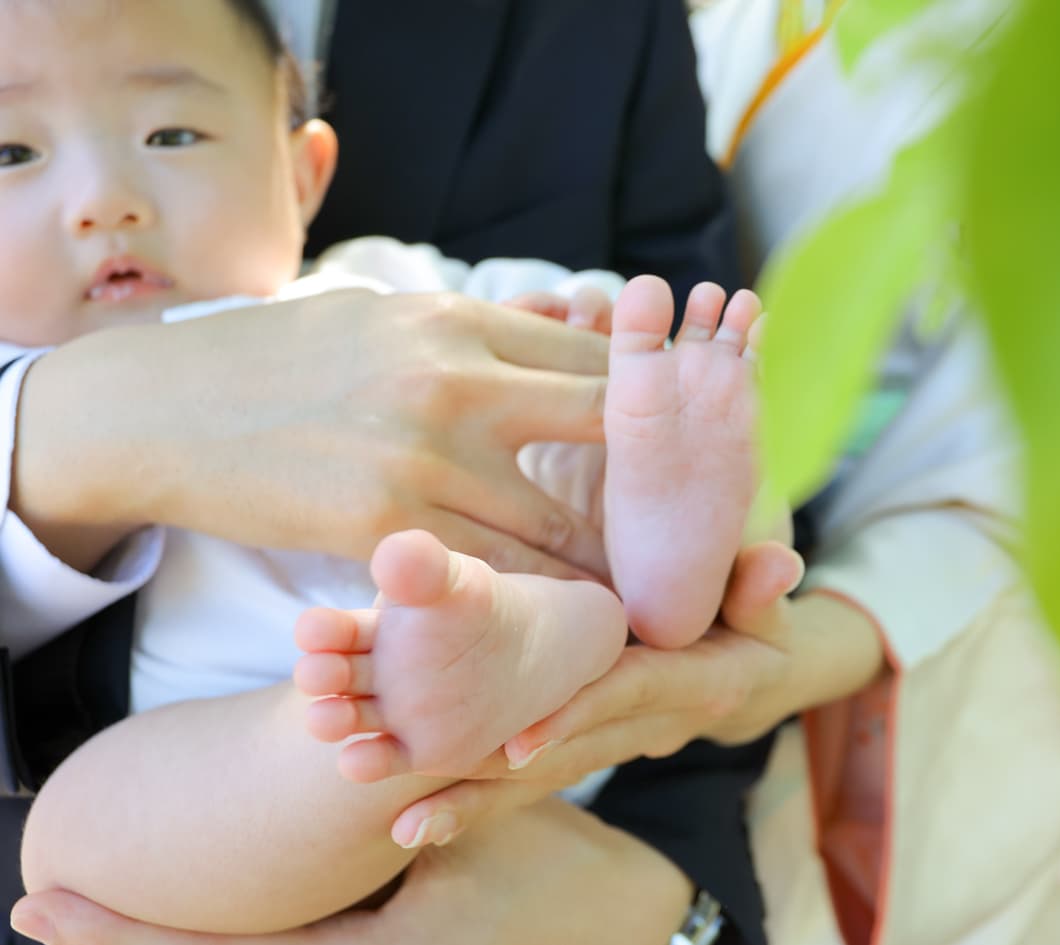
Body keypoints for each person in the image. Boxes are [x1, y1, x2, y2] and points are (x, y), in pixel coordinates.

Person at [2, 0, 798, 935]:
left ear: (302, 175)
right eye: (12, 154)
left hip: (545, 769)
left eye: (172, 133)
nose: (107, 197)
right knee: (69, 835)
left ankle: (643, 565)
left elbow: (553, 331)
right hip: (247, 759)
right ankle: (439, 694)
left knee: (635, 418)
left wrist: (633, 375)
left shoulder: (390, 289)